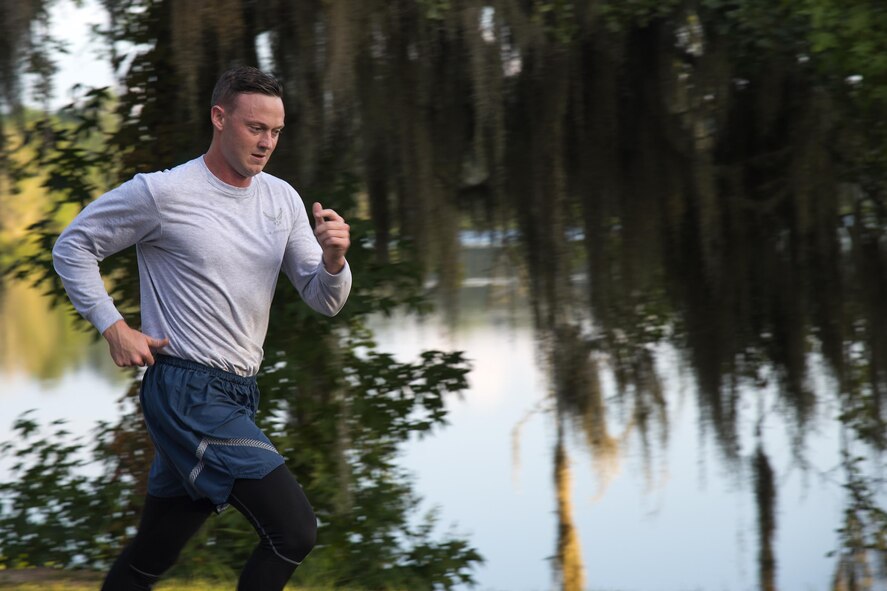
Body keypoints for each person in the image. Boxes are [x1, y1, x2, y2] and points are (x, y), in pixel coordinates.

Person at [52, 66, 352, 590]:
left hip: (237, 393)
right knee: (294, 530)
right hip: (186, 390)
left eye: (276, 132)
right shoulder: (163, 193)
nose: (266, 143)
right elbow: (73, 246)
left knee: (154, 551)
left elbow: (324, 299)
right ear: (219, 118)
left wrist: (332, 260)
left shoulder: (280, 199)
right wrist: (113, 325)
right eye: (255, 127)